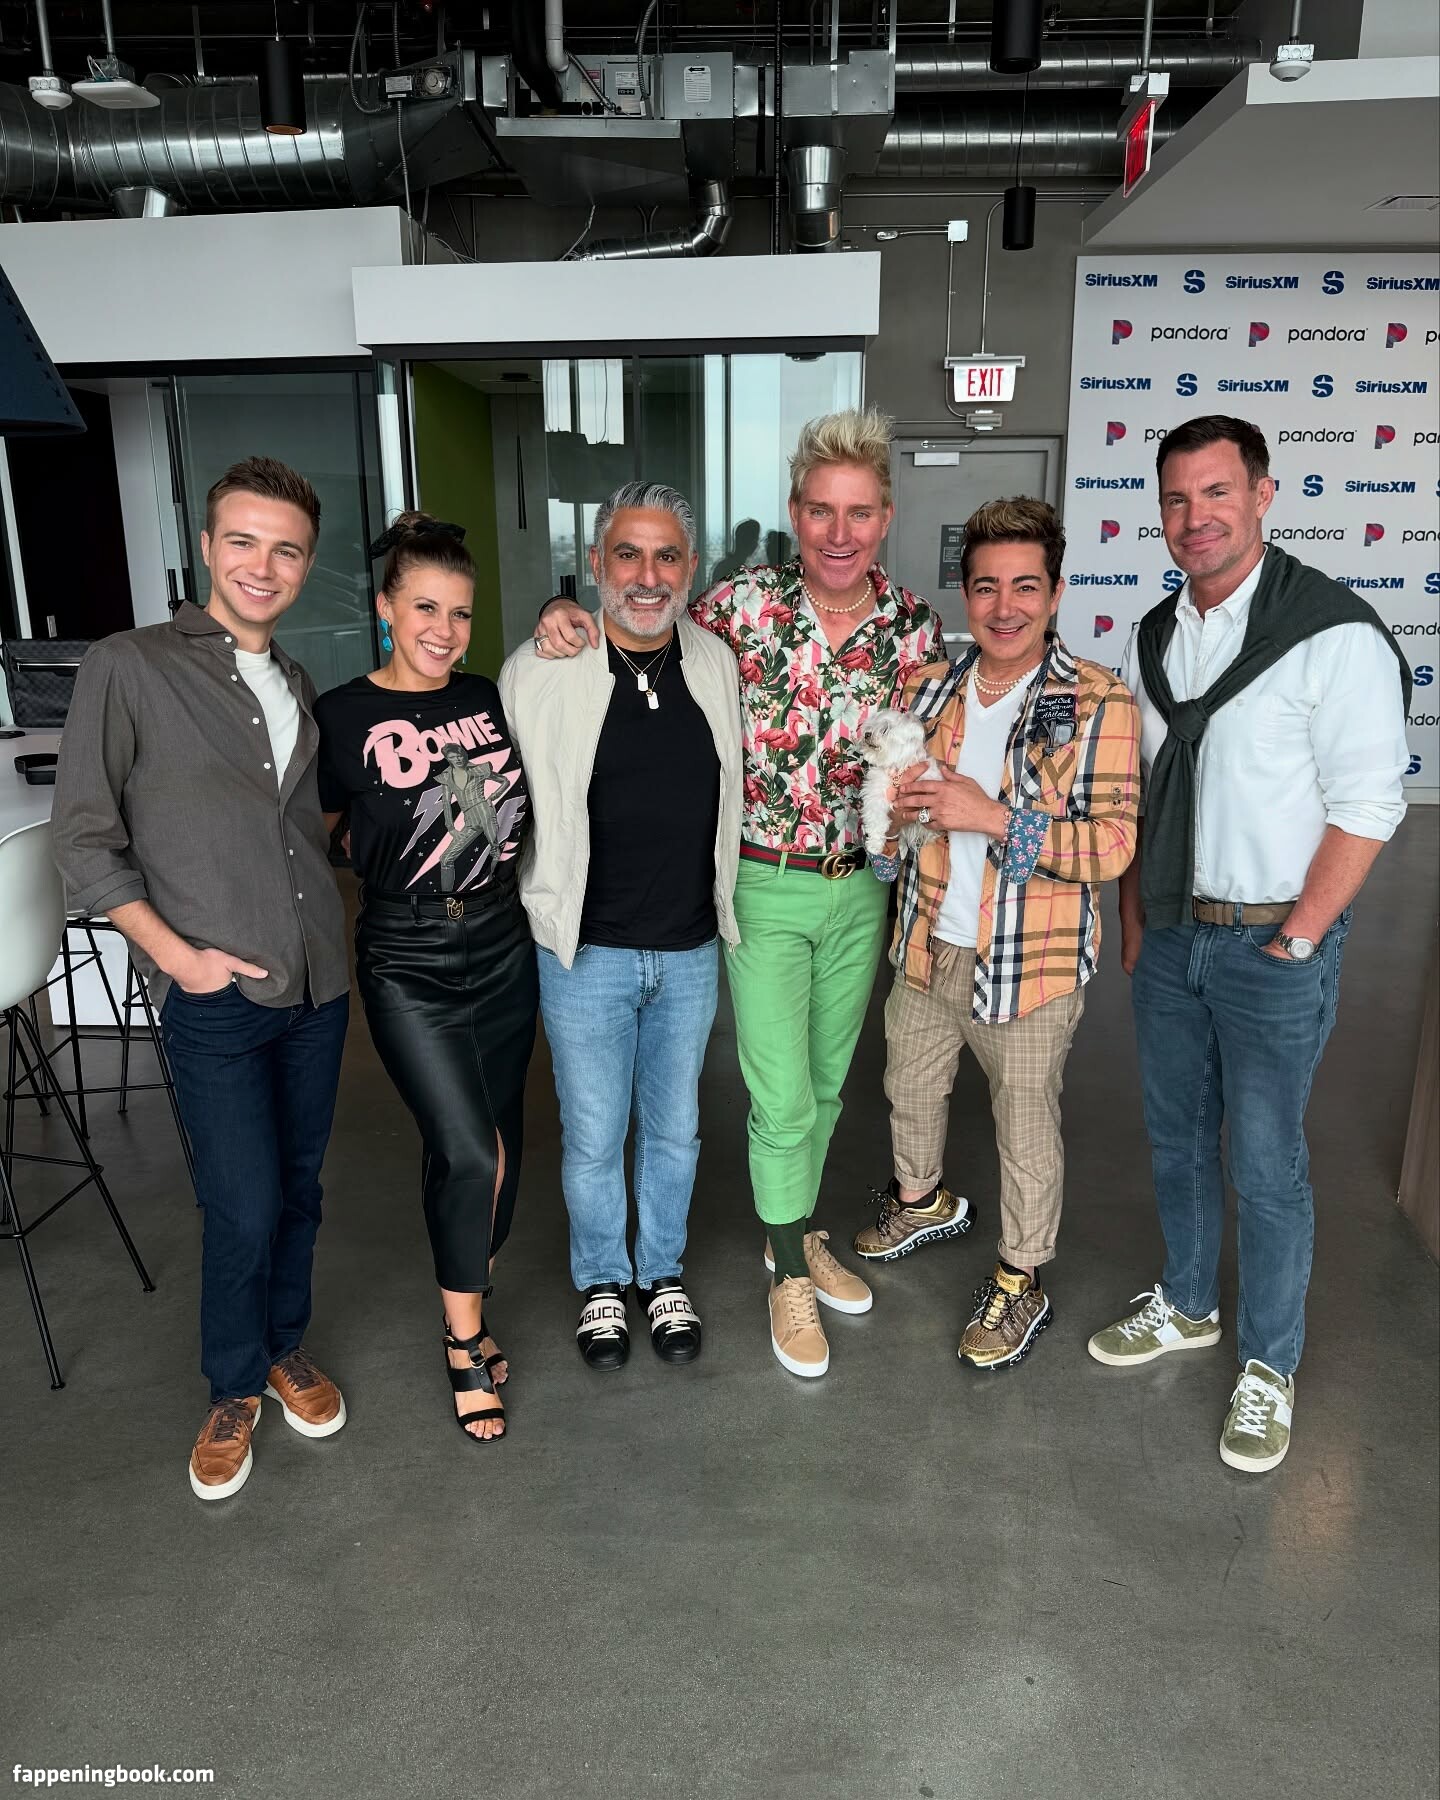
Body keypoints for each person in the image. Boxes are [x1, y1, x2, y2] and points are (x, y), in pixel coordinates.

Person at [534, 410, 944, 1380]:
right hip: (763, 881)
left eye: (859, 513)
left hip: (862, 888)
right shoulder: (738, 611)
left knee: (828, 1086)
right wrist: (565, 612)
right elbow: (638, 624)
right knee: (781, 1094)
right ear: (795, 513)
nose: (839, 532)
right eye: (820, 511)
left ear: (885, 519)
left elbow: (924, 759)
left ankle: (788, 1233)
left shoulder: (914, 629)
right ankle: (789, 1275)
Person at [1087, 415, 1411, 1472]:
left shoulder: (1333, 634)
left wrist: (1303, 937)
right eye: (1177, 499)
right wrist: (1134, 921)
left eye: (1217, 493)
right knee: (1177, 1140)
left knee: (1267, 1163)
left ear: (1264, 495)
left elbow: (1368, 805)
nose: (1196, 517)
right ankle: (1188, 1302)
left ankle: (1269, 1364)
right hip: (1171, 936)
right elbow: (1137, 794)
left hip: (1272, 944)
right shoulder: (1152, 639)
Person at [51, 456, 350, 1501]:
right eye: (244, 541)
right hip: (216, 997)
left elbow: (294, 829)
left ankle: (282, 1347)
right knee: (243, 1201)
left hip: (316, 983)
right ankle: (232, 1386)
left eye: (286, 549)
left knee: (301, 1188)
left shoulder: (296, 681)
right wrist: (176, 959)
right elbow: (83, 839)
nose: (263, 566)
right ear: (208, 546)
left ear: (306, 563)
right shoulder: (128, 666)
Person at [863, 498, 1140, 1370]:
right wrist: (891, 826)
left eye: (1025, 586)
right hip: (926, 944)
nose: (1005, 606)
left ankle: (1021, 1278)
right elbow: (897, 825)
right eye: (986, 587)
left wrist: (990, 815)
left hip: (1027, 965)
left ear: (1055, 593)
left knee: (1023, 1128)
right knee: (909, 1088)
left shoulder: (1096, 700)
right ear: (965, 593)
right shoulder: (929, 689)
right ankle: (923, 1202)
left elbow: (1112, 845)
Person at [501, 482, 742, 1369]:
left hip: (689, 947)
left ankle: (661, 1273)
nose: (648, 576)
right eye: (628, 555)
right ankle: (603, 1280)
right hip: (584, 951)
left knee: (676, 1130)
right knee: (595, 1134)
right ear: (597, 563)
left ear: (691, 568)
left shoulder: (716, 663)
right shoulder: (539, 668)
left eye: (667, 556)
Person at [314, 513, 536, 1443]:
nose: (444, 631)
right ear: (385, 609)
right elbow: (324, 824)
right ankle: (463, 1340)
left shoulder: (484, 693)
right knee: (467, 1147)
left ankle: (468, 1277)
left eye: (460, 612)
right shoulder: (341, 715)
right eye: (424, 609)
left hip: (501, 942)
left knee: (501, 1149)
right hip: (408, 956)